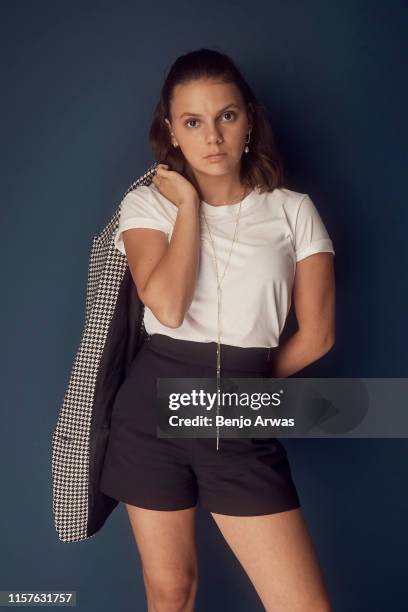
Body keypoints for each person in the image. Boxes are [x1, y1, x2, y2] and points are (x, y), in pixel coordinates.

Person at [99, 48, 335, 612]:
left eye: (227, 116)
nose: (213, 136)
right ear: (171, 132)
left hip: (240, 414)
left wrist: (238, 393)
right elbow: (169, 307)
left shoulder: (292, 210)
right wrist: (186, 208)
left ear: (250, 118)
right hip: (150, 416)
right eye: (193, 122)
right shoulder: (147, 206)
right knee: (171, 594)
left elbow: (318, 335)